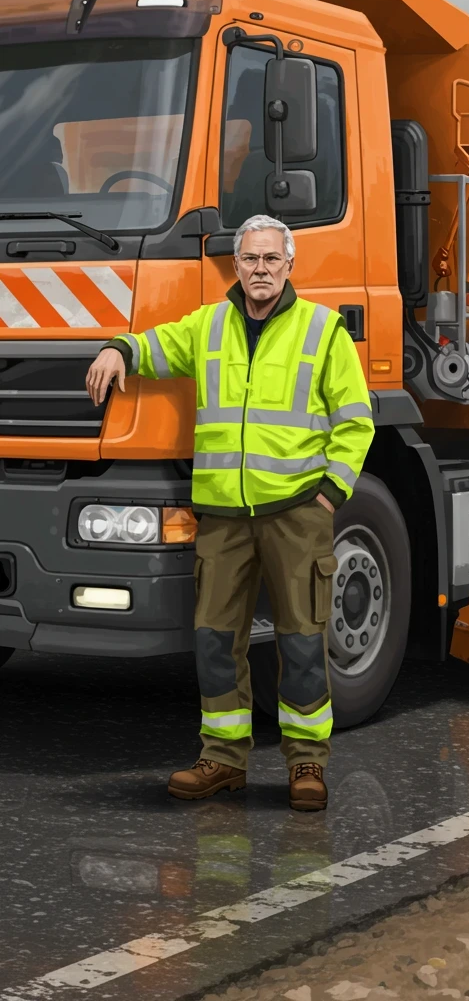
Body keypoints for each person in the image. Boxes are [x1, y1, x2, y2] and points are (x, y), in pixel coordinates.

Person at [85, 215, 374, 810]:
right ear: (236, 266)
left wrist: (328, 497)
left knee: (300, 641)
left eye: (271, 259)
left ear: (290, 265)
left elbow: (356, 423)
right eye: (250, 259)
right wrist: (118, 349)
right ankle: (222, 759)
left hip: (296, 512)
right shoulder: (210, 324)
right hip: (221, 516)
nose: (260, 269)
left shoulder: (324, 332)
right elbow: (158, 345)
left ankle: (306, 765)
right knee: (216, 639)